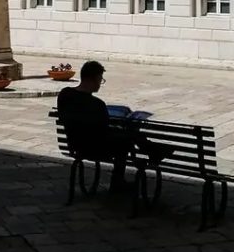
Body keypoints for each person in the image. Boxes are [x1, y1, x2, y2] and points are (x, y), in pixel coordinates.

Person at [57, 60, 172, 192]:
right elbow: (103, 130)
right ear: (92, 79)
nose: (100, 83)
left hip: (75, 145)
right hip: (95, 148)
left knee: (126, 135)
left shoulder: (65, 94)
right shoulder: (97, 104)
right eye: (100, 79)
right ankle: (149, 154)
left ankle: (152, 151)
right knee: (126, 139)